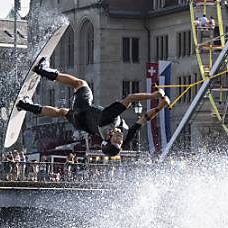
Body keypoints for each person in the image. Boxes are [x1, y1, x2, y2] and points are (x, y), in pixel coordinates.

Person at [17, 57, 170, 157]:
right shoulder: (125, 136)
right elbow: (144, 119)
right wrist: (160, 107)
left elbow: (130, 98)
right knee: (62, 111)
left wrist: (154, 96)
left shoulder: (108, 120)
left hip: (83, 110)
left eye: (116, 140)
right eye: (120, 143)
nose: (120, 139)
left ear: (108, 138)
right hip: (81, 123)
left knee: (80, 84)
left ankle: (42, 70)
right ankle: (25, 105)